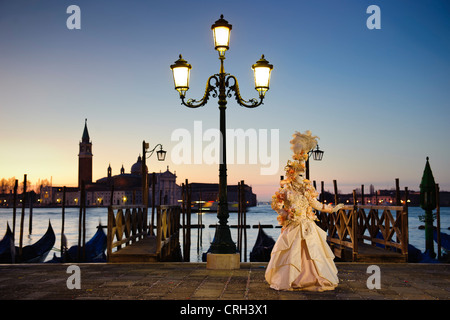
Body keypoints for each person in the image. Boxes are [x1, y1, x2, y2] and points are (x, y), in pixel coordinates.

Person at [265, 130, 343, 291]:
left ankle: (312, 277)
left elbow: (316, 204)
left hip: (307, 224)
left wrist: (331, 209)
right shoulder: (285, 191)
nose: (303, 178)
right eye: (300, 175)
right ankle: (291, 279)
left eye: (304, 175)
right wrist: (285, 214)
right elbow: (277, 206)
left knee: (313, 252)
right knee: (291, 253)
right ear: (293, 176)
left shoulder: (307, 190)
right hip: (293, 225)